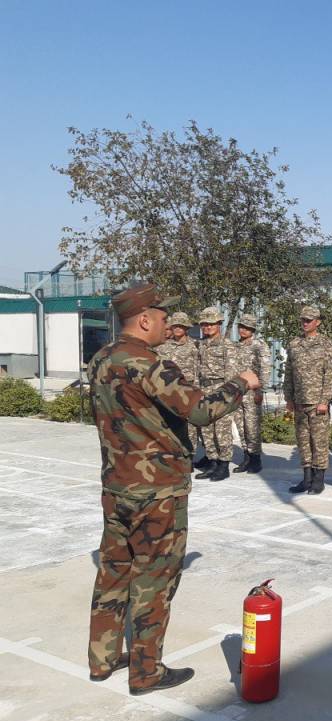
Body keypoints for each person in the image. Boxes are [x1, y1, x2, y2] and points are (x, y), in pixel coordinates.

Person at [87, 283, 259, 695]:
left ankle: (102, 658)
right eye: (163, 317)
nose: (168, 324)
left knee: (113, 573)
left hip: (117, 486)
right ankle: (146, 671)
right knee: (154, 579)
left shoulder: (101, 359)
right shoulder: (149, 364)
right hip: (156, 493)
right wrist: (241, 383)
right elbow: (199, 410)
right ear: (145, 319)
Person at [283, 306, 332, 495]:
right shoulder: (294, 344)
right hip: (299, 401)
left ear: (318, 322)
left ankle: (318, 480)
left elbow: (330, 375)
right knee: (303, 441)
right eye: (303, 320)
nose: (305, 323)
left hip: (317, 402)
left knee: (319, 442)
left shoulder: (326, 344)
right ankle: (307, 479)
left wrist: (324, 400)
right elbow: (289, 373)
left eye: (309, 320)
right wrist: (288, 398)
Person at [195, 306, 239, 481]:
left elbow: (231, 371)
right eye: (204, 324)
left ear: (219, 324)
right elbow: (197, 369)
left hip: (221, 389)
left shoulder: (227, 345)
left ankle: (224, 464)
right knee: (206, 428)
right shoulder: (201, 344)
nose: (207, 327)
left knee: (222, 429)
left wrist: (227, 395)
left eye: (211, 324)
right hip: (204, 390)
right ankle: (212, 462)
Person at [155, 312, 200, 465]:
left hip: (187, 391)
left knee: (190, 427)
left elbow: (198, 370)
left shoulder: (194, 346)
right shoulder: (163, 347)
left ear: (187, 328)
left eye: (181, 326)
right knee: (169, 423)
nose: (178, 329)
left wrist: (197, 391)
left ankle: (189, 456)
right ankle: (172, 454)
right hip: (168, 391)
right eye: (175, 326)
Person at [232, 313, 272, 474]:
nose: (243, 330)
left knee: (252, 426)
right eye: (241, 326)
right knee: (241, 425)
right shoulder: (236, 346)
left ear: (253, 329)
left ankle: (255, 459)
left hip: (252, 391)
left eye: (247, 328)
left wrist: (260, 390)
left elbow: (265, 368)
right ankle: (246, 457)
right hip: (238, 391)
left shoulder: (259, 345)